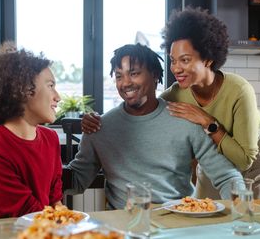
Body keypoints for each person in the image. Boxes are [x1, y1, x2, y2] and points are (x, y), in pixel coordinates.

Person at [82, 7, 260, 199]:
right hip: (217, 151)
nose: (176, 68)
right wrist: (99, 122)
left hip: (253, 152)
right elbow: (145, 110)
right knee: (204, 206)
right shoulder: (175, 96)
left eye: (184, 60)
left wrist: (207, 121)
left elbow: (244, 160)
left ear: (208, 59)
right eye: (173, 60)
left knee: (254, 211)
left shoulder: (239, 90)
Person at [67, 43, 243, 209]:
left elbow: (227, 176)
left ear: (155, 75)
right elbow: (76, 181)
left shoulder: (185, 118)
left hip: (178, 220)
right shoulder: (99, 127)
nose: (125, 83)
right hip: (125, 225)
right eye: (119, 76)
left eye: (134, 73)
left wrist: (240, 210)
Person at [0, 42, 63, 221]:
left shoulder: (51, 138)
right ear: (23, 90)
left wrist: (64, 217)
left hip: (41, 228)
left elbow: (55, 199)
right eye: (50, 85)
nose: (58, 96)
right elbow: (26, 210)